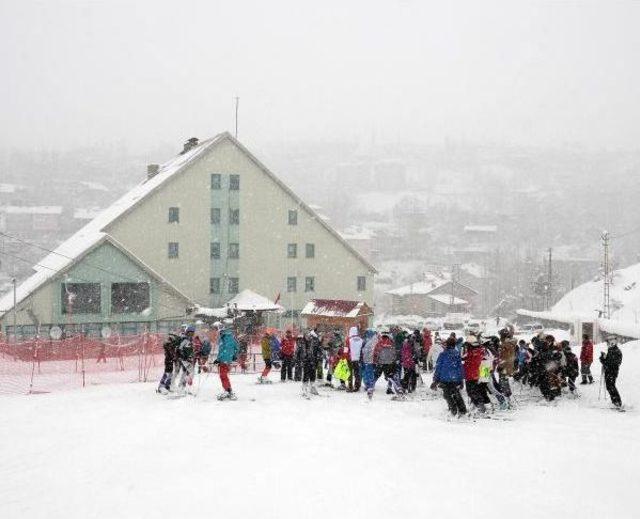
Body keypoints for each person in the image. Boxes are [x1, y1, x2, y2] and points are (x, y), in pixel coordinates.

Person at [432, 336, 467, 417]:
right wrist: (461, 379)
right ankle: (462, 409)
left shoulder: (443, 354)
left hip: (445, 378)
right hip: (455, 378)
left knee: (447, 395)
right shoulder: (457, 354)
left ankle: (453, 410)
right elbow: (460, 367)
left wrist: (435, 379)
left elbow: (438, 367)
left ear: (447, 344)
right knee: (456, 394)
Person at [374, 330, 402, 396]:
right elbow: (394, 353)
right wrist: (394, 360)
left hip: (381, 363)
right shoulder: (391, 342)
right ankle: (392, 389)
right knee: (392, 377)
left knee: (376, 376)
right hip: (390, 363)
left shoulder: (379, 342)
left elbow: (376, 352)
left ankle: (370, 388)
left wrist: (376, 360)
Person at [214, 326, 239, 400]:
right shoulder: (230, 338)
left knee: (223, 375)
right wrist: (234, 356)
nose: (219, 333)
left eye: (220, 332)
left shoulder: (225, 339)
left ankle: (227, 390)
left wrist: (218, 359)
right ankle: (228, 389)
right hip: (228, 360)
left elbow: (224, 351)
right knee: (224, 375)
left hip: (224, 360)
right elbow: (237, 348)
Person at [462, 336, 486, 414]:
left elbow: (466, 360)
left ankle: (480, 407)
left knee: (472, 392)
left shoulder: (472, 353)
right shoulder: (479, 351)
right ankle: (478, 406)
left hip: (471, 375)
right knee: (476, 391)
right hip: (477, 374)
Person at [296, 332, 323, 398]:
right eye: (307, 336)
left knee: (313, 374)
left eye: (310, 336)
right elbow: (298, 352)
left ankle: (312, 387)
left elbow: (319, 351)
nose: (308, 337)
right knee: (306, 374)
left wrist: (319, 357)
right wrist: (297, 360)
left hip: (313, 361)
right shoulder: (302, 343)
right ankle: (304, 388)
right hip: (305, 361)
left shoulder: (314, 343)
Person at [600, 336, 623, 408]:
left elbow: (615, 362)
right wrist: (602, 358)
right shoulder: (611, 350)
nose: (607, 344)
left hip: (612, 371)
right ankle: (615, 401)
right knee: (609, 386)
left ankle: (617, 402)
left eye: (608, 342)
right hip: (609, 371)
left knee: (611, 386)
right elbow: (607, 361)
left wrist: (605, 361)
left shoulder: (616, 351)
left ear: (612, 343)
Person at [361, 330, 378, 399]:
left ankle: (367, 385)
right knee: (371, 372)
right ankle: (370, 385)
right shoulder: (375, 340)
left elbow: (363, 350)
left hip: (366, 359)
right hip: (372, 359)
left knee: (366, 372)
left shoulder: (365, 340)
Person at [347, 326, 363, 392]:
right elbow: (362, 350)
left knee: (350, 373)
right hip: (358, 359)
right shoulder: (361, 340)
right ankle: (357, 386)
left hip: (350, 358)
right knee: (357, 373)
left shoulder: (348, 339)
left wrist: (345, 356)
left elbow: (346, 349)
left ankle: (350, 386)